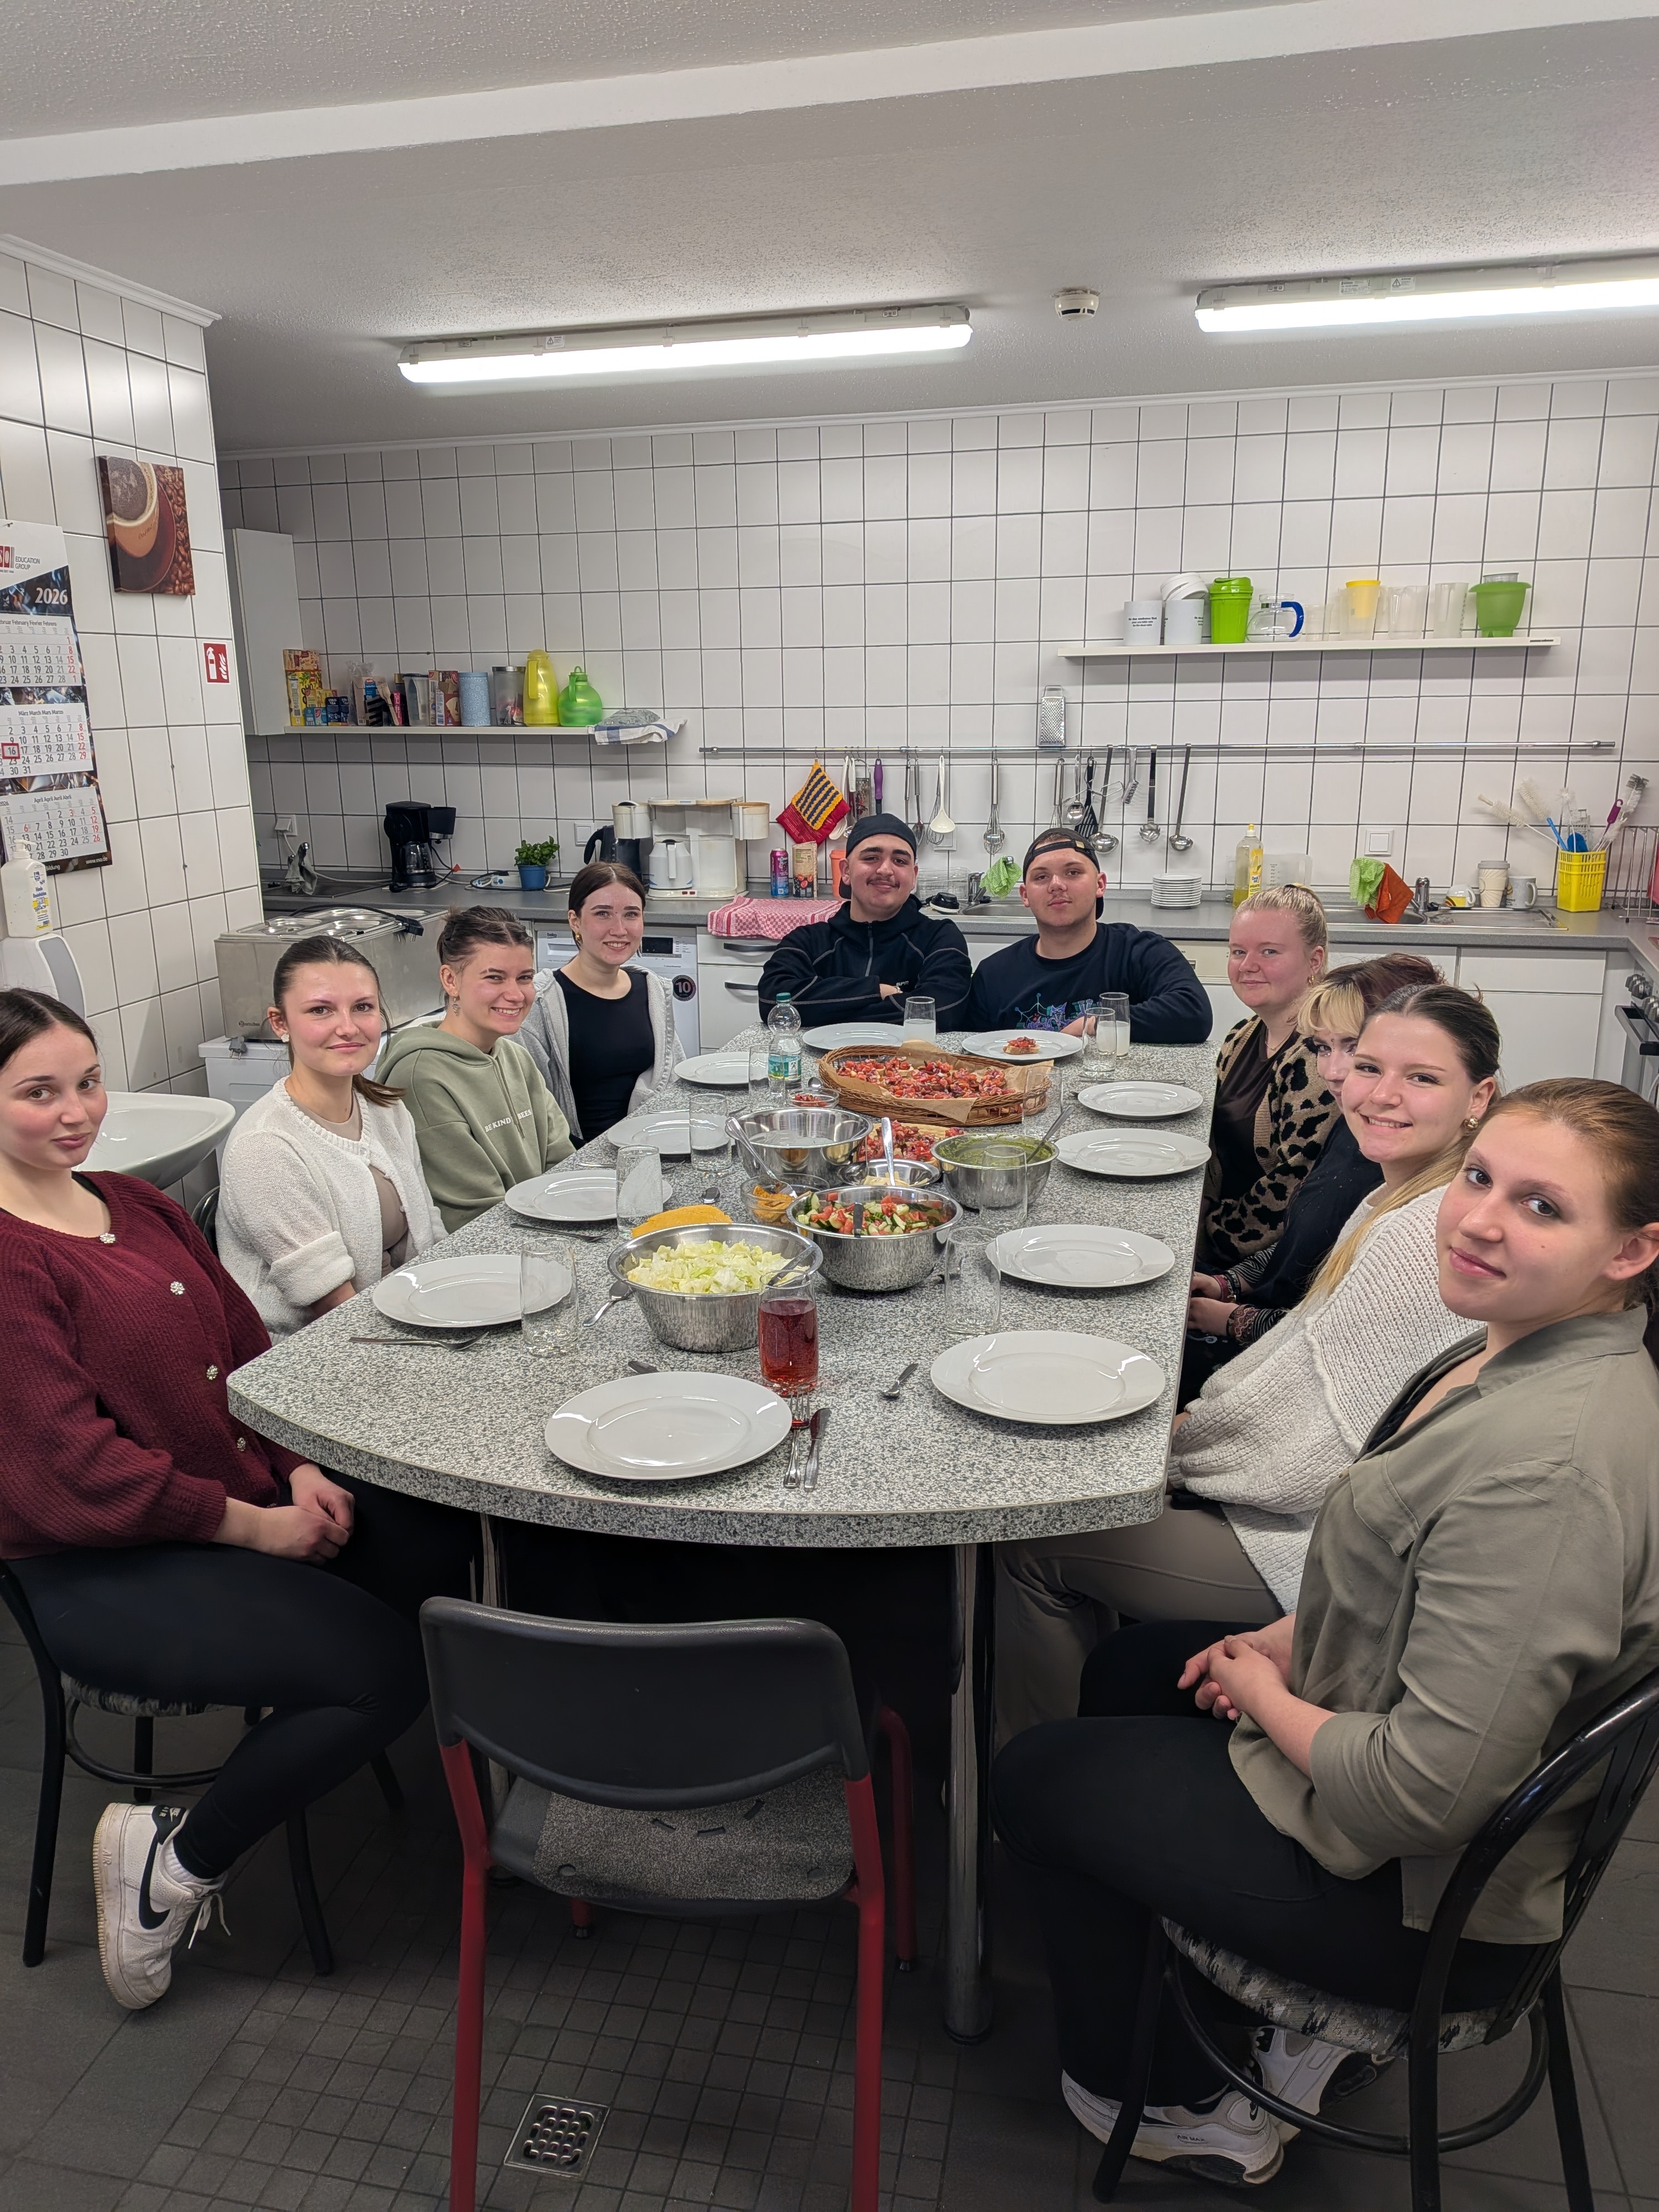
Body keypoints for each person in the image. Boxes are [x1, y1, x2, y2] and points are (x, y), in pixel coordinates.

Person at [993, 1078, 1659, 2188]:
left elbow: (1422, 1795)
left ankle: (1186, 2106)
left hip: (1422, 1901)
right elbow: (1414, 1573)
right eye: (1481, 1178)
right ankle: (1197, 1991)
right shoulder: (1519, 1345)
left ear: (1632, 1250)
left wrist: (1264, 1693)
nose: (1480, 1219)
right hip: (1392, 1750)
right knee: (1129, 1668)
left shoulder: (1550, 1471)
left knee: (1033, 1779)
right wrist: (1291, 1639)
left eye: (1544, 1206)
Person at [0, 988, 430, 2013]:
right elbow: (76, 1473)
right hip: (99, 1562)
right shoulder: (12, 1260)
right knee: (384, 1674)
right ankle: (174, 1863)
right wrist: (258, 1528)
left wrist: (295, 1465)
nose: (77, 1111)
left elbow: (244, 1350)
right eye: (38, 1093)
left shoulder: (135, 1203)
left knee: (439, 1550)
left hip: (230, 1500)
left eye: (88, 1082)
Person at [997, 984, 1501, 1733]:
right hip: (1327, 1523)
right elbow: (1306, 1359)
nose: (1380, 1094)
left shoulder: (1415, 1234)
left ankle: (1034, 1760)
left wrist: (1179, 1447)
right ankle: (1100, 1693)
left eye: (1421, 1078)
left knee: (1030, 1539)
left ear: (1478, 1097)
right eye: (1368, 1067)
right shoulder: (1402, 1194)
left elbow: (1311, 1455)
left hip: (1317, 1559)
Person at [1183, 952, 1442, 1385]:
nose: (1333, 1071)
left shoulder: (1407, 1189)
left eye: (1354, 1049)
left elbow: (1335, 1342)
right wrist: (1231, 1283)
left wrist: (1232, 1319)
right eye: (1323, 1048)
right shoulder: (1354, 1129)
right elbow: (1303, 1241)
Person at [217, 935, 444, 1334]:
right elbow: (335, 1306)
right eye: (320, 1010)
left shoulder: (387, 1110)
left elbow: (430, 1229)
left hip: (402, 1316)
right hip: (311, 1350)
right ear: (280, 1023)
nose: (348, 1027)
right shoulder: (264, 1148)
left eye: (363, 1007)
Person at [378, 906, 573, 1230]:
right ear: (450, 980)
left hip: (544, 1229)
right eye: (494, 977)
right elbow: (475, 1215)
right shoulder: (421, 1077)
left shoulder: (516, 1057)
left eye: (524, 978)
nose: (515, 994)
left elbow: (564, 1166)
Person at [1199, 885, 1337, 1270]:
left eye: (1269, 951)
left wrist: (1205, 1238)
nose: (1247, 965)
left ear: (1314, 961)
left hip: (1258, 1262)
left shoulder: (1321, 1059)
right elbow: (1213, 1146)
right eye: (1238, 951)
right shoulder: (1241, 1037)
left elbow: (1291, 1192)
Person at [962, 831, 1211, 1042]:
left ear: (1100, 885)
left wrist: (1095, 1024)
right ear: (1025, 896)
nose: (1056, 885)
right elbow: (971, 1053)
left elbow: (1193, 1012)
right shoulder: (994, 975)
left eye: (1073, 872)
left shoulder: (1139, 952)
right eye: (1041, 877)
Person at [517, 861, 684, 1142]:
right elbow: (528, 1109)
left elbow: (674, 1080)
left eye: (631, 914)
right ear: (575, 921)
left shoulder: (653, 990)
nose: (619, 929)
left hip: (651, 1145)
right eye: (603, 914)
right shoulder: (541, 1002)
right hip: (577, 1157)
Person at [756, 814, 972, 1027]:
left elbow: (942, 1009)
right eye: (871, 858)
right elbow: (774, 1003)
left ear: (913, 876)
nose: (885, 870)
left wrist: (824, 1008)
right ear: (846, 871)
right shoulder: (807, 941)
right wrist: (876, 991)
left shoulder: (940, 938)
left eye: (899, 861)